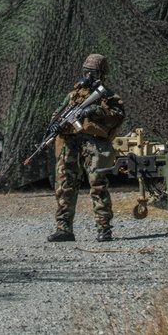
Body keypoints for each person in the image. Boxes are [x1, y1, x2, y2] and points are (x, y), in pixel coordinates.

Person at [46, 53, 125, 243]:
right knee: (64, 186)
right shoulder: (73, 95)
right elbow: (58, 113)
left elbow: (118, 115)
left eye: (92, 72)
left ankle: (104, 228)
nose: (87, 75)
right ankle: (64, 229)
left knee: (98, 185)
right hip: (69, 144)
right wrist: (55, 124)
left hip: (93, 143)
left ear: (100, 73)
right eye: (85, 72)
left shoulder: (107, 95)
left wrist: (94, 111)